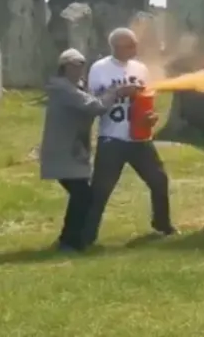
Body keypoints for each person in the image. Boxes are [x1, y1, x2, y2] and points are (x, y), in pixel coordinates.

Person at [80, 27, 175, 247]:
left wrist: (150, 117)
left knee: (159, 180)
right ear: (116, 47)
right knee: (101, 190)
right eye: (130, 45)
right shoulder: (99, 69)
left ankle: (162, 224)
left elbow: (145, 102)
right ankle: (86, 237)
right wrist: (118, 93)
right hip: (112, 139)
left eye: (135, 44)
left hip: (140, 138)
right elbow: (93, 103)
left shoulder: (140, 69)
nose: (135, 49)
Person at [39, 49, 136, 251]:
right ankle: (69, 241)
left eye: (82, 64)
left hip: (74, 152)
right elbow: (94, 106)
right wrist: (117, 92)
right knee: (82, 195)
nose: (80, 69)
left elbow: (93, 98)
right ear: (64, 67)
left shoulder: (75, 87)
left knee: (83, 196)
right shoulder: (63, 89)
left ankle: (75, 240)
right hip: (63, 152)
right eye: (75, 65)